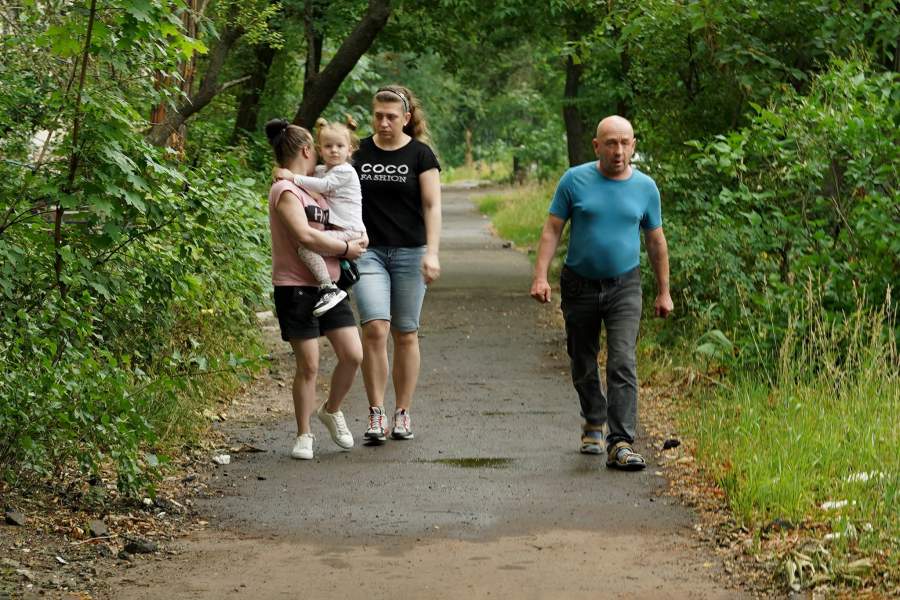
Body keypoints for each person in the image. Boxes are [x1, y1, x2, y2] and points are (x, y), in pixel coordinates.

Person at [530, 115, 673, 471]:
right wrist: (540, 276)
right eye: (611, 143)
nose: (618, 150)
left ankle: (620, 441)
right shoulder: (574, 180)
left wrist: (664, 292)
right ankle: (594, 417)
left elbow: (656, 241)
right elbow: (552, 230)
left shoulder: (645, 188)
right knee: (582, 358)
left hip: (625, 285)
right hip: (579, 284)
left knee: (622, 360)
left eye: (625, 143)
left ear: (634, 146)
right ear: (597, 146)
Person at [265, 118, 367, 460]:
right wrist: (345, 249)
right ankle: (303, 434)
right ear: (309, 149)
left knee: (353, 355)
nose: (328, 153)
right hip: (296, 287)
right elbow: (305, 237)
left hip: (331, 286)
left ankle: (331, 409)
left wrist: (357, 237)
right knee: (308, 365)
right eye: (322, 147)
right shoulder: (286, 190)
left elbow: (345, 214)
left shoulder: (318, 186)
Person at [352, 85, 442, 443]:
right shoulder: (358, 151)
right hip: (368, 251)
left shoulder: (421, 155)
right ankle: (376, 413)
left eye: (392, 117)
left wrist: (432, 252)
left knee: (405, 332)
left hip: (410, 251)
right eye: (378, 116)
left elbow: (432, 206)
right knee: (375, 328)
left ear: (406, 118)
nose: (384, 123)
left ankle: (402, 412)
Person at [274, 117, 366, 317]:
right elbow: (313, 178)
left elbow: (322, 186)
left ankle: (328, 288)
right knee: (317, 244)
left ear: (349, 150)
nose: (334, 150)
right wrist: (284, 172)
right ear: (318, 149)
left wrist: (292, 177)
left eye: (340, 146)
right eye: (328, 146)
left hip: (348, 230)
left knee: (307, 249)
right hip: (343, 228)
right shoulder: (324, 170)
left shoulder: (345, 171)